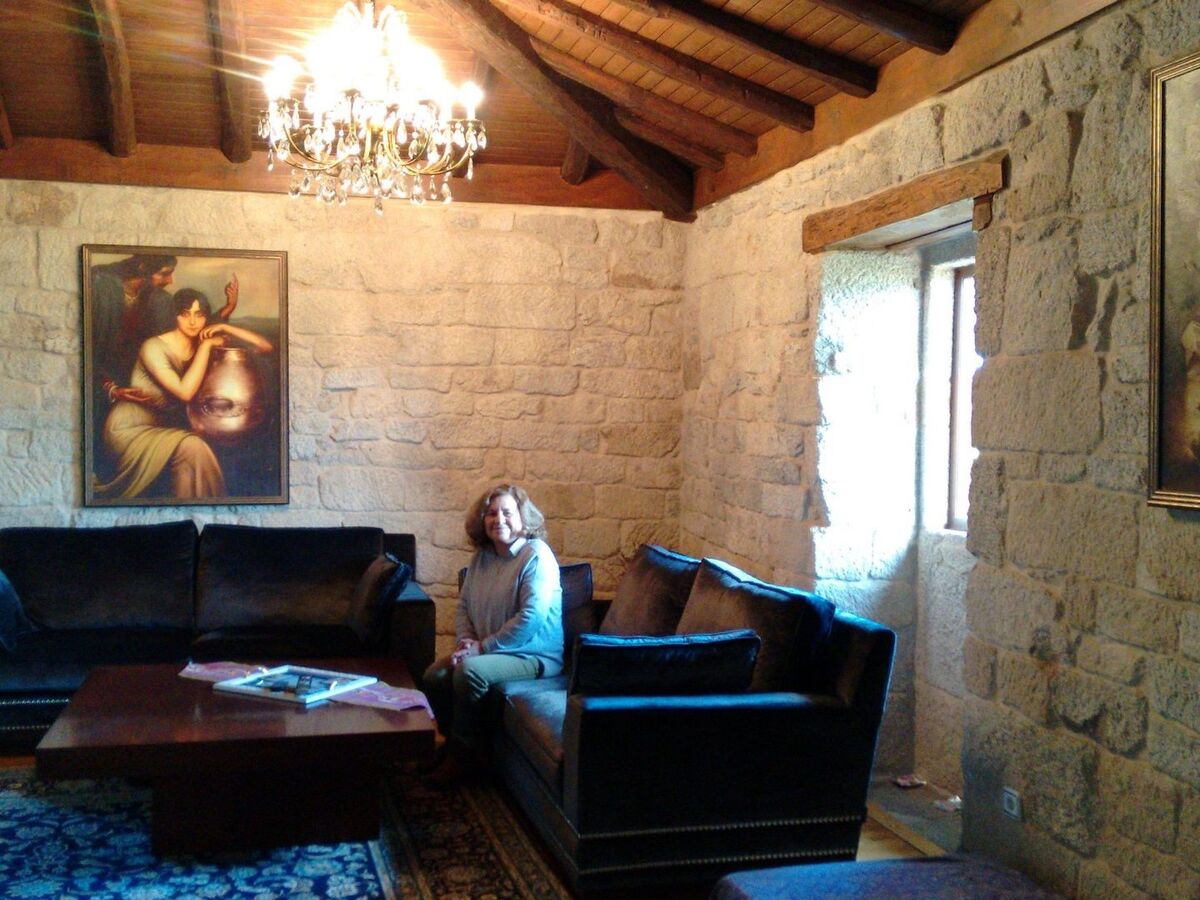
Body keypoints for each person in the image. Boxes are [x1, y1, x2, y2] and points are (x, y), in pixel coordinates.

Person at [423, 483, 563, 785]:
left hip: (532, 655)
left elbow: (532, 617)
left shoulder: (536, 555)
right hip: (489, 651)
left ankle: (466, 758)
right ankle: (452, 746)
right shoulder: (481, 558)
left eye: (507, 512)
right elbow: (464, 606)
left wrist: (481, 649)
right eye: (491, 513)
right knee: (435, 676)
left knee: (469, 673)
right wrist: (465, 642)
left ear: (523, 518)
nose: (499, 519)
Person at [93, 288, 272, 500]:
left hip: (163, 429)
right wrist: (206, 346)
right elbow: (185, 393)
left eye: (199, 315)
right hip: (129, 430)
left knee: (193, 450)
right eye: (185, 314)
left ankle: (193, 511)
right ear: (175, 315)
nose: (193, 322)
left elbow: (266, 347)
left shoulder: (202, 340)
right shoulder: (153, 347)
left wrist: (225, 327)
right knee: (192, 447)